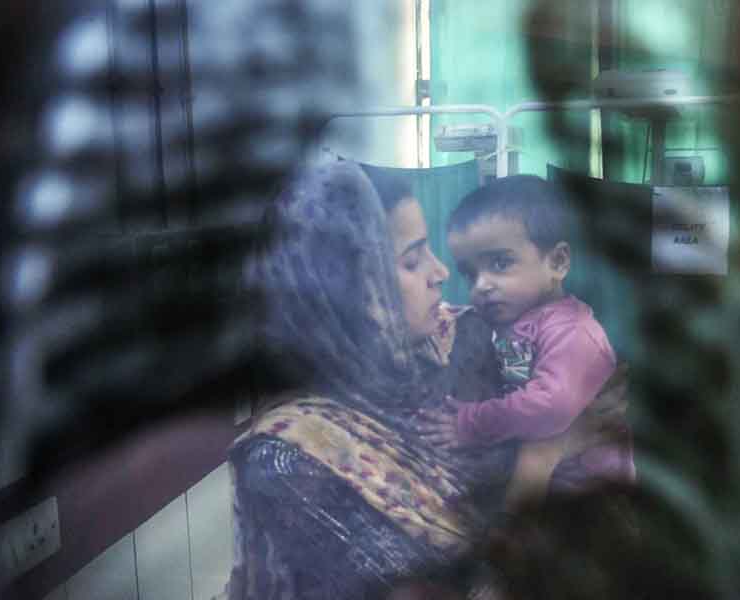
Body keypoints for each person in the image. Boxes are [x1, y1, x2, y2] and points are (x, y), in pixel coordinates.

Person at [224, 161, 517, 600]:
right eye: (412, 260)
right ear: (347, 288)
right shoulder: (293, 456)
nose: (440, 272)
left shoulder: (460, 343)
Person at [420, 175, 635, 510]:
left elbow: (550, 408)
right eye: (470, 274)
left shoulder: (573, 331)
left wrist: (471, 423)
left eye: (501, 263)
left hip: (593, 497)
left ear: (557, 263)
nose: (482, 285)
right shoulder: (514, 317)